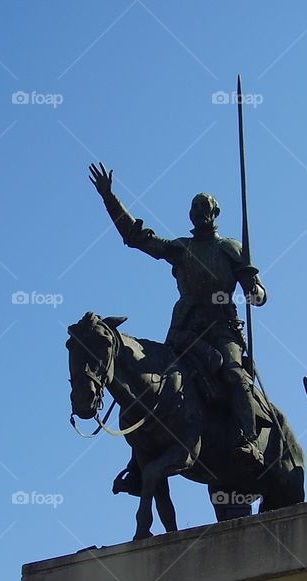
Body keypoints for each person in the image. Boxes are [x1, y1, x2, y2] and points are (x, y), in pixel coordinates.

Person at [89, 162, 267, 467]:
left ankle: (250, 442)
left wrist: (253, 289)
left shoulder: (230, 248)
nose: (198, 212)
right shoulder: (181, 248)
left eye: (204, 207)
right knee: (151, 380)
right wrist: (109, 198)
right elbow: (137, 237)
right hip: (184, 333)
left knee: (235, 377)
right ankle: (141, 458)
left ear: (214, 213)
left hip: (222, 330)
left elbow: (260, 295)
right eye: (194, 207)